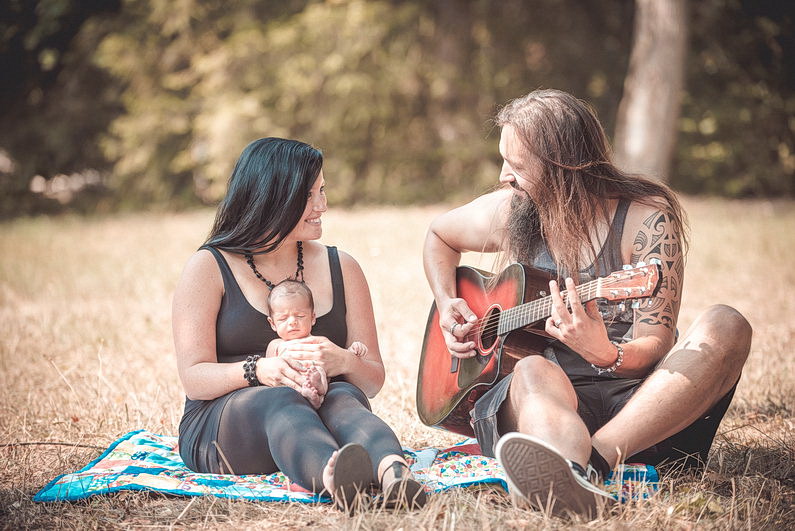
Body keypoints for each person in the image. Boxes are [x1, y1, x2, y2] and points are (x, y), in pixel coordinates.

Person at [422, 89, 752, 517]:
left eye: (517, 165)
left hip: (637, 411)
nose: (504, 175)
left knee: (726, 323)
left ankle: (586, 467)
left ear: (563, 165)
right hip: (544, 401)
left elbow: (654, 343)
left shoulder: (645, 219)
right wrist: (448, 301)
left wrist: (606, 353)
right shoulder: (515, 209)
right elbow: (438, 235)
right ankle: (565, 467)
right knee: (531, 368)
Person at [173, 137, 426, 512]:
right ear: (274, 197)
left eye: (322, 191)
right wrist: (261, 370)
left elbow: (372, 380)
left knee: (346, 400)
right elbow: (194, 377)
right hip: (225, 423)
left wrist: (343, 362)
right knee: (281, 400)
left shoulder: (344, 267)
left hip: (324, 406)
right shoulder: (209, 267)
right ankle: (334, 478)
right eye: (310, 196)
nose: (322, 205)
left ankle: (394, 473)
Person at [264, 279, 368, 408]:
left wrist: (352, 351)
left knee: (317, 371)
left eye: (300, 316)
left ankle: (316, 390)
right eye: (283, 318)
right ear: (273, 323)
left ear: (313, 318)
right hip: (287, 387)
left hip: (317, 379)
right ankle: (309, 392)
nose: (292, 322)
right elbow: (270, 366)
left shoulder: (318, 342)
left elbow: (336, 357)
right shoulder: (276, 344)